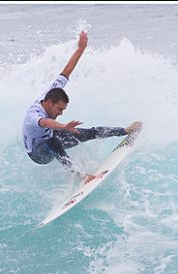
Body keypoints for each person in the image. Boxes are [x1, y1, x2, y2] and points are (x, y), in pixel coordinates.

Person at [21, 31, 143, 184]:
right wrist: (64, 126)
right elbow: (44, 123)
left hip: (50, 135)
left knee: (89, 132)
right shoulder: (33, 115)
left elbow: (66, 72)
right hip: (38, 154)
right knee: (53, 142)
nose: (60, 113)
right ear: (49, 103)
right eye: (59, 109)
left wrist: (80, 49)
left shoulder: (51, 93)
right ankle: (81, 176)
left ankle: (124, 130)